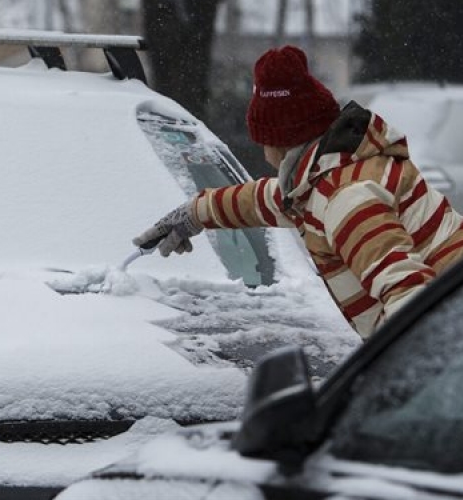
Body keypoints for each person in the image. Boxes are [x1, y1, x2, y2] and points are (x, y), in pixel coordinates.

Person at [133, 45, 463, 339]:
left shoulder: (345, 197)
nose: (261, 151)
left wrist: (394, 389)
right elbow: (269, 200)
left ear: (276, 142)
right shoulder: (331, 175)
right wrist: (197, 212)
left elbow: (411, 301)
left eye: (260, 139)